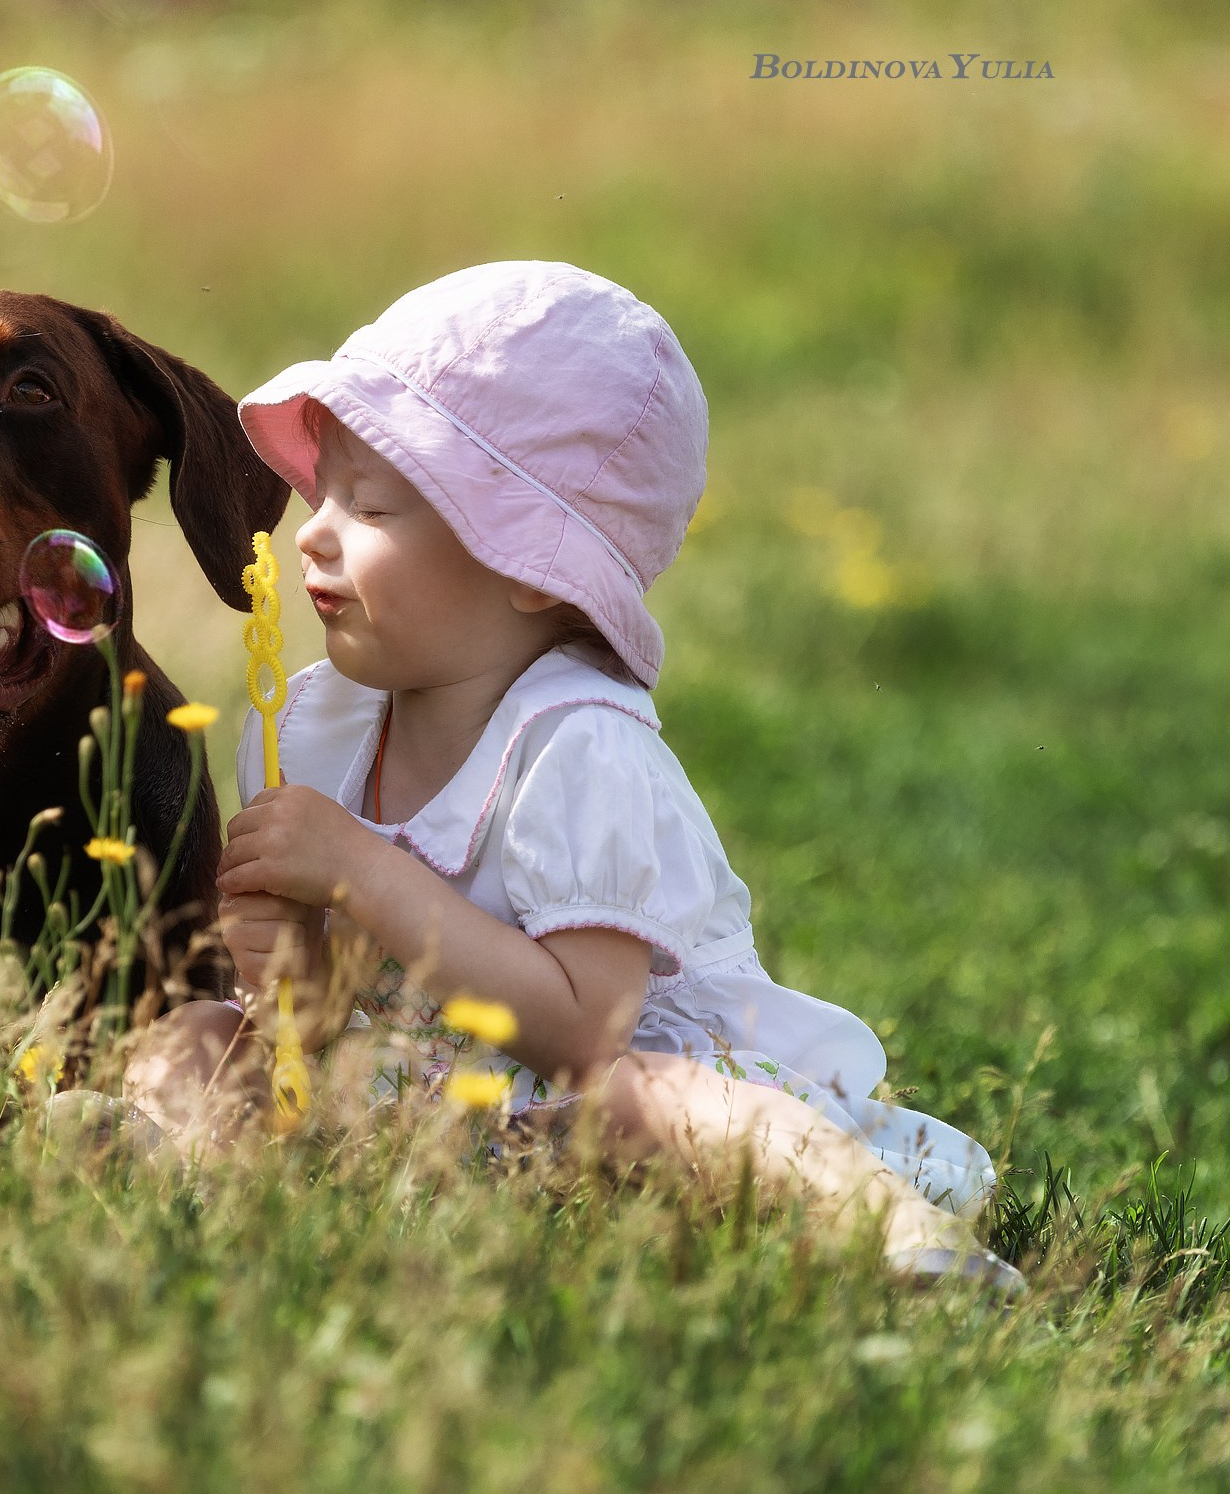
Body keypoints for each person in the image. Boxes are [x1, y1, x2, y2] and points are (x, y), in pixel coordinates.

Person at [120, 260, 1022, 1292]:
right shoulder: (318, 728)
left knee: (663, 1103)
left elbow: (581, 1035)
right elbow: (318, 1021)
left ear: (522, 563)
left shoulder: (576, 745)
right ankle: (201, 1184)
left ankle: (887, 1227)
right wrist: (290, 970)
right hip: (434, 1106)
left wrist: (360, 874)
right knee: (197, 1032)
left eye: (368, 508)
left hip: (599, 1100)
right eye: (320, 492)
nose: (312, 531)